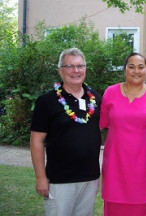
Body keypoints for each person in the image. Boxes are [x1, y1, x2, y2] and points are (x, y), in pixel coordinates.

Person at [30, 48, 102, 216]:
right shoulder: (47, 101)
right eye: (70, 66)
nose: (76, 71)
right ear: (60, 71)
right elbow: (36, 141)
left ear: (85, 69)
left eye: (80, 66)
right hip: (60, 179)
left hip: (90, 178)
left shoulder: (94, 98)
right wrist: (41, 177)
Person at [99, 52, 146, 216]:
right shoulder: (110, 93)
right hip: (115, 167)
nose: (136, 71)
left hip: (144, 170)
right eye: (131, 67)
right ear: (125, 70)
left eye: (141, 67)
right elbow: (100, 124)